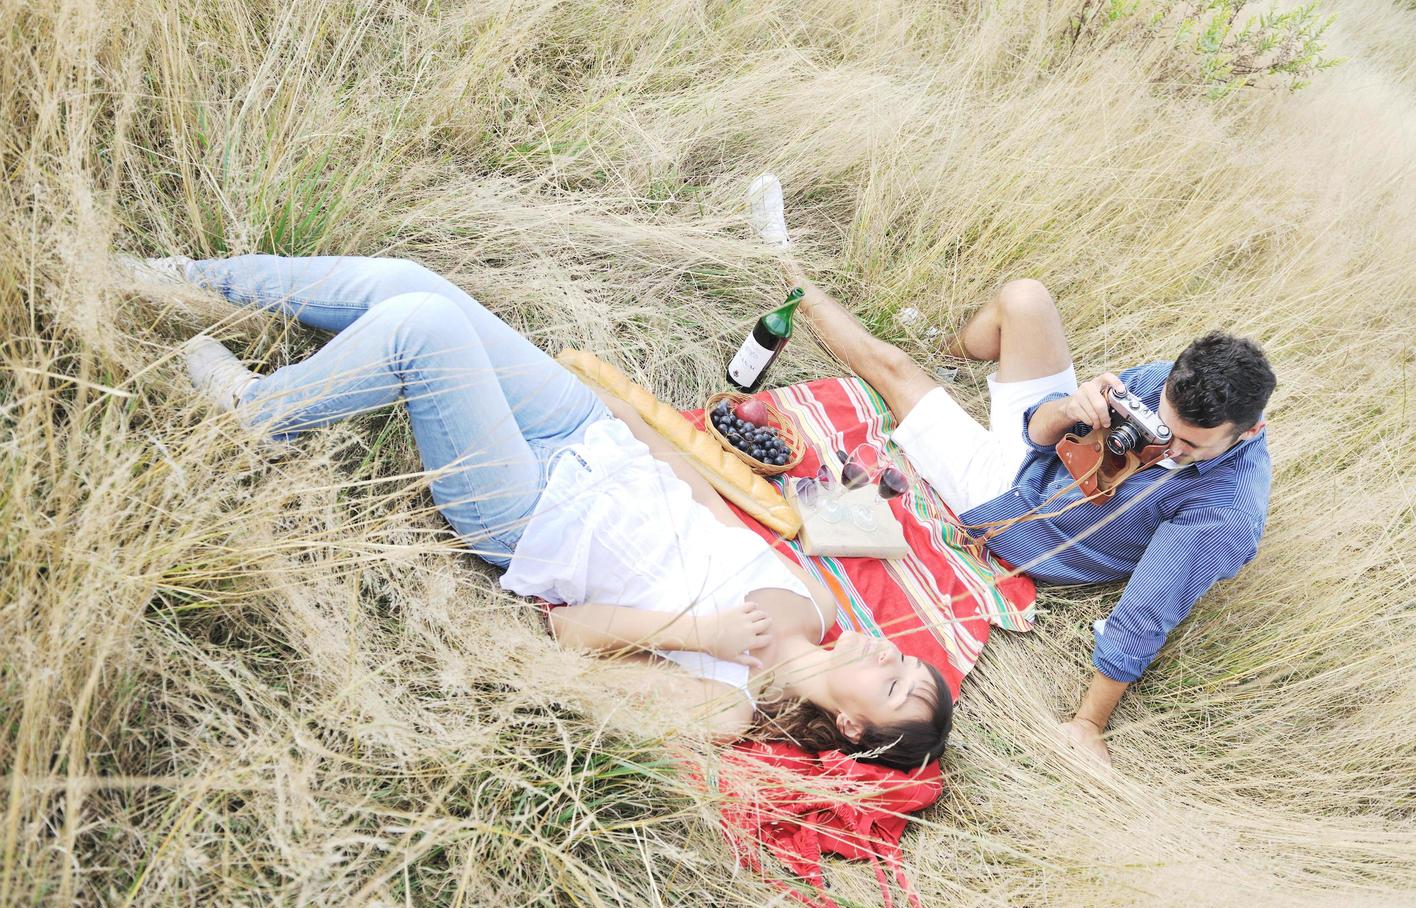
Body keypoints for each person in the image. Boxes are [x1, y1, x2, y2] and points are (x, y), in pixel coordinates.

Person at [134, 252, 953, 769]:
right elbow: (700, 497)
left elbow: (567, 636)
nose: (893, 658)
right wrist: (621, 413)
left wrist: (700, 634)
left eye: (894, 685)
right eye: (908, 662)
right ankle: (179, 277)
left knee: (422, 329)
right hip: (589, 438)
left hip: (529, 512)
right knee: (413, 282)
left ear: (850, 726)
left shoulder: (727, 706)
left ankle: (258, 413)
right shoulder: (814, 603)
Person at [749, 183, 1273, 767]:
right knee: (1025, 300)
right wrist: (1074, 408)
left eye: (1190, 446)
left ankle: (779, 262)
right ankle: (947, 354)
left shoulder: (1222, 515)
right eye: (1164, 426)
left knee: (891, 369)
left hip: (1013, 508)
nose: (1167, 445)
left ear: (1246, 434)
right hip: (1044, 453)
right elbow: (1037, 429)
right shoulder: (1170, 384)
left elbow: (1144, 617)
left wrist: (1088, 723)